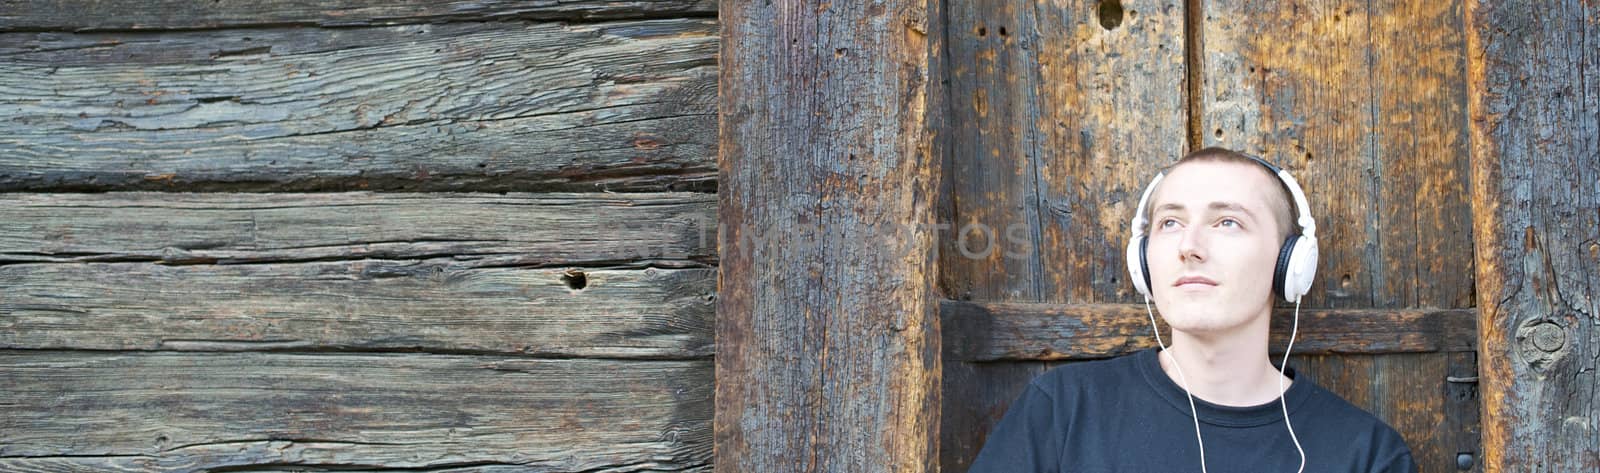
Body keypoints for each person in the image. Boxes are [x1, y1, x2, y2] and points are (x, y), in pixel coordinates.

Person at [966, 147, 1418, 472]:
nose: (1190, 247)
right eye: (1170, 223)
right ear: (1142, 260)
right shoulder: (1064, 411)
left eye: (1227, 222)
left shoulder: (1365, 454)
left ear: (1291, 263)